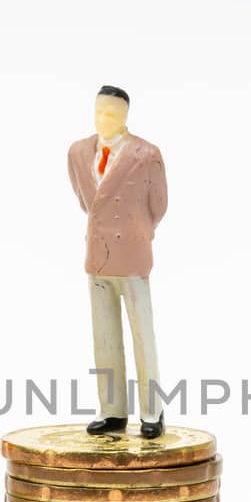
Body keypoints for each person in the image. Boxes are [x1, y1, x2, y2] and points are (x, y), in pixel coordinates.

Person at [66, 85, 169, 438]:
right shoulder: (78, 152)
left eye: (111, 113)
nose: (103, 119)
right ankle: (113, 411)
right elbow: (85, 200)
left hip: (133, 254)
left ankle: (152, 413)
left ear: (125, 116)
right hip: (97, 254)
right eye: (98, 111)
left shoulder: (146, 153)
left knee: (143, 336)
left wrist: (137, 231)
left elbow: (158, 205)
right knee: (104, 337)